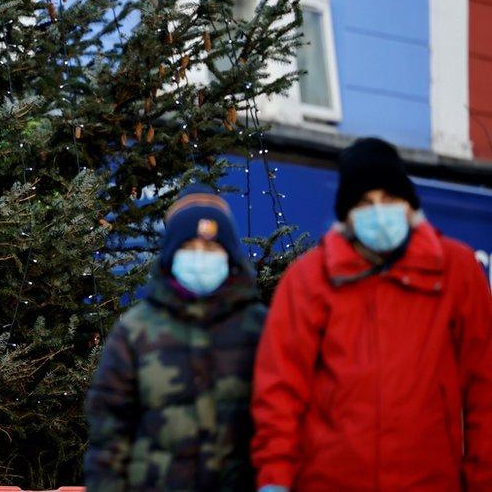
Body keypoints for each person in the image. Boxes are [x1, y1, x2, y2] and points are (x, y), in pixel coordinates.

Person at [251, 137, 492, 491]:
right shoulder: (310, 279)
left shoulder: (456, 271)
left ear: (409, 205)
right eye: (365, 203)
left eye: (389, 199)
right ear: (347, 214)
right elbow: (280, 389)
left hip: (429, 481)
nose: (379, 211)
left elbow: (484, 387)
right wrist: (275, 479)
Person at [85, 184, 265, 491]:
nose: (200, 257)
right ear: (171, 255)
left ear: (229, 255)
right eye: (189, 247)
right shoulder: (136, 331)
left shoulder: (259, 328)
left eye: (211, 247)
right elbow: (109, 432)